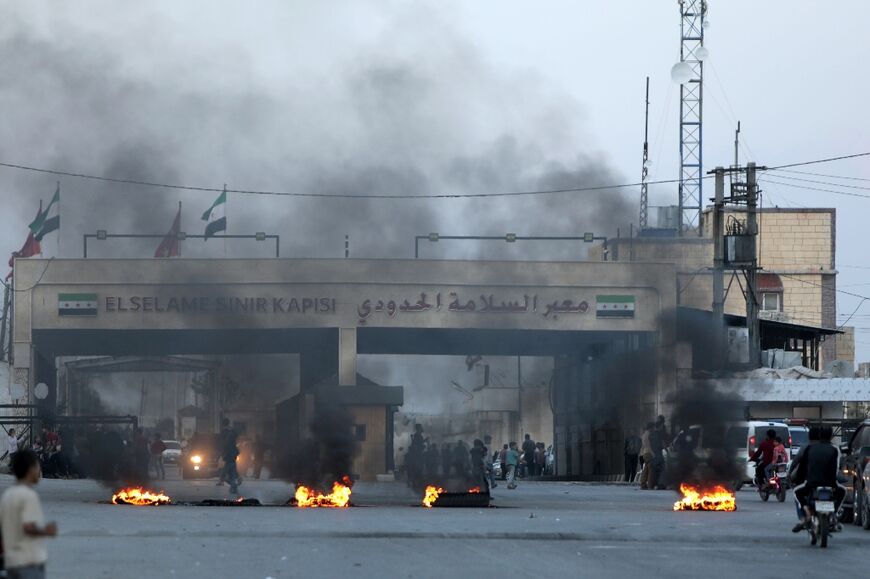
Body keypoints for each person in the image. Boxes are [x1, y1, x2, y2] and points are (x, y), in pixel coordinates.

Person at [0, 449, 58, 579]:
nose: (39, 471)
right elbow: (28, 527)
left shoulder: (8, 494)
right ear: (30, 469)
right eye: (37, 466)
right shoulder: (28, 496)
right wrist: (47, 531)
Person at [790, 426, 845, 532]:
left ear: (819, 436)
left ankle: (806, 512)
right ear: (831, 436)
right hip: (831, 483)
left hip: (811, 483)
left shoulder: (809, 448)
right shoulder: (835, 449)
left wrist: (797, 479)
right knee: (842, 491)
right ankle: (834, 514)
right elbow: (837, 467)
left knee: (797, 492)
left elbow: (802, 467)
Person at [218, 419, 241, 494]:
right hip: (233, 453)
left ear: (223, 424)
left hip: (229, 454)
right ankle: (234, 486)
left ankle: (234, 484)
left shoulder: (225, 432)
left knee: (224, 474)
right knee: (232, 472)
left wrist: (223, 453)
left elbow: (225, 444)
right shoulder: (232, 430)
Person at [639, 422, 655, 489]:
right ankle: (650, 485)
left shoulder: (644, 434)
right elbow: (648, 446)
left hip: (644, 453)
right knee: (650, 470)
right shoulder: (648, 435)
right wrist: (653, 454)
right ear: (650, 428)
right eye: (653, 427)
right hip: (648, 453)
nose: (654, 429)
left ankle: (643, 484)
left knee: (645, 469)